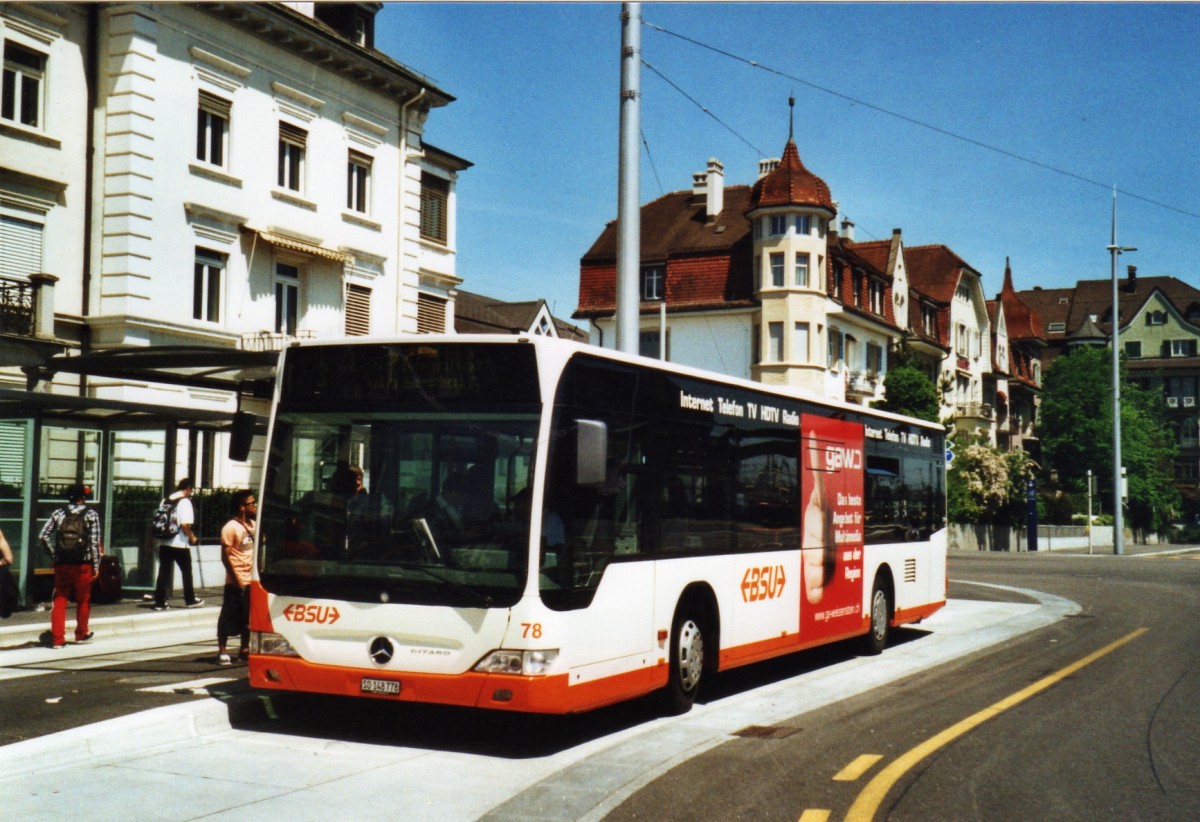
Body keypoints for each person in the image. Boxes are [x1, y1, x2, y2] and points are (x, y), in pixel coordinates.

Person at [39, 484, 102, 648]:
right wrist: (96, 566)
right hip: (83, 563)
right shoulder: (90, 514)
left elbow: (43, 536)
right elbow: (94, 543)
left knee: (60, 599)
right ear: (83, 496)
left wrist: (54, 554)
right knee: (83, 599)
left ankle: (58, 639)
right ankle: (81, 633)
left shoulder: (58, 513)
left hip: (62, 563)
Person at [216, 490, 255, 666]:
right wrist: (237, 579)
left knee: (248, 618)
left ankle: (244, 648)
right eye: (251, 503)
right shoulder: (230, 528)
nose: (255, 506)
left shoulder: (254, 525)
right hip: (236, 580)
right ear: (242, 507)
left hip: (252, 579)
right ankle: (222, 651)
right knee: (228, 616)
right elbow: (225, 557)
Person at [153, 477, 203, 611]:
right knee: (186, 571)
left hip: (164, 541)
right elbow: (184, 524)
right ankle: (190, 599)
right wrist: (192, 536)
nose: (191, 493)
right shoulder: (185, 501)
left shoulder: (166, 499)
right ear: (188, 488)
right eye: (191, 491)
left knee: (163, 571)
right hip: (179, 542)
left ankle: (159, 602)